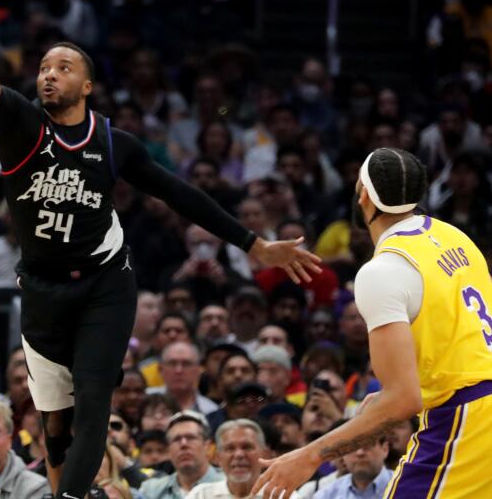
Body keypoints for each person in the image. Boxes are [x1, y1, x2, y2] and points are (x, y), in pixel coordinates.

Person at [0, 0, 320, 499]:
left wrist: (257, 245)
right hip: (43, 291)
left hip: (104, 283)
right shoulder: (20, 124)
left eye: (64, 67)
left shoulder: (113, 142)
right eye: (45, 66)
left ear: (87, 85)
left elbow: (182, 196)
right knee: (56, 433)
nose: (49, 73)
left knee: (94, 403)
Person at [254, 148, 492, 498]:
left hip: (468, 420)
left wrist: (308, 456)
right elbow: (461, 342)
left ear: (363, 193)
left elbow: (403, 402)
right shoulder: (456, 238)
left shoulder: (382, 271)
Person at [139, 410, 223, 499]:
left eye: (190, 437)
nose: (183, 444)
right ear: (169, 451)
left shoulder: (229, 484)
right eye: (176, 439)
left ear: (207, 446)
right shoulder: (150, 491)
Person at [187, 420, 272, 499]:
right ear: (218, 457)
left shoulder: (280, 495)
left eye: (247, 447)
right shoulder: (201, 495)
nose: (239, 454)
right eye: (230, 448)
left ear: (264, 454)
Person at [312, 435, 392, 499]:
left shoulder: (402, 487)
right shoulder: (326, 495)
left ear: (385, 449)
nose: (359, 453)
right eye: (352, 447)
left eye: (367, 444)